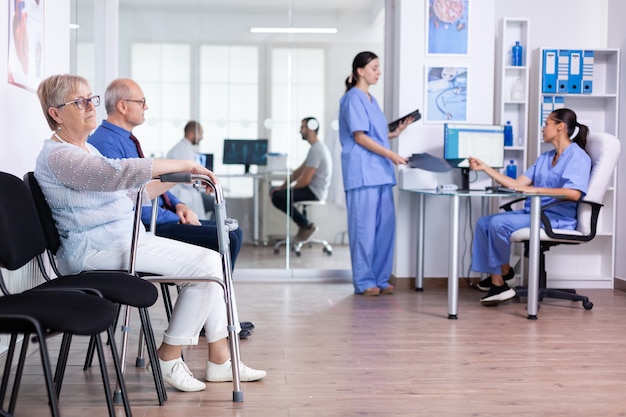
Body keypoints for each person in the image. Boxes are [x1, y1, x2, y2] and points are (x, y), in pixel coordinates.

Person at [34, 74, 266, 393]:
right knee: (209, 266)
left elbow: (130, 195)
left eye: (91, 99)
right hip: (94, 249)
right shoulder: (59, 156)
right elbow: (116, 174)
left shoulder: (85, 150)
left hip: (123, 241)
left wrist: (178, 176)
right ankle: (169, 357)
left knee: (214, 261)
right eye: (80, 102)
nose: (90, 106)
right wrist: (179, 162)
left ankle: (220, 359)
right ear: (56, 114)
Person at [89, 79, 253, 339]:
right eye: (141, 102)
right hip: (146, 226)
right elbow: (129, 198)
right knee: (227, 237)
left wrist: (179, 204)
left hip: (162, 217)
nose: (146, 107)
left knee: (232, 232)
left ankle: (216, 317)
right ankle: (212, 322)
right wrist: (169, 213)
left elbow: (151, 183)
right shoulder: (104, 143)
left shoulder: (127, 140)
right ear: (122, 106)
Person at [469, 108, 591, 304]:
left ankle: (499, 284)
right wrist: (485, 168)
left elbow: (574, 193)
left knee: (498, 224)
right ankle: (504, 274)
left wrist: (537, 190)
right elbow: (517, 184)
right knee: (484, 222)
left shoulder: (578, 157)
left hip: (555, 219)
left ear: (560, 127)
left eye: (547, 124)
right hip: (535, 214)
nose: (543, 129)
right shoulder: (545, 157)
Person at [338, 51, 413, 296]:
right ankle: (364, 280)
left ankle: (380, 278)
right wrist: (392, 155)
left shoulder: (371, 99)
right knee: (364, 230)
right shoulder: (352, 98)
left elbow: (373, 134)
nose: (378, 72)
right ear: (360, 70)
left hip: (380, 172)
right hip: (362, 173)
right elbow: (359, 137)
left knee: (384, 229)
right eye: (374, 68)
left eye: (379, 68)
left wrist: (394, 133)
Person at [270, 117, 332, 242]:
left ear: (312, 128)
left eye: (302, 127)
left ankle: (307, 225)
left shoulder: (317, 150)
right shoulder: (315, 148)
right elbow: (298, 172)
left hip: (314, 192)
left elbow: (305, 180)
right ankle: (305, 225)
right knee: (277, 192)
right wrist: (282, 187)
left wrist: (285, 190)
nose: (300, 131)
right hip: (312, 189)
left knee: (278, 197)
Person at [166, 121, 208, 220]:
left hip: (182, 191)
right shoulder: (184, 151)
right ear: (192, 133)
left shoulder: (180, 148)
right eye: (200, 134)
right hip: (184, 194)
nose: (201, 138)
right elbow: (189, 178)